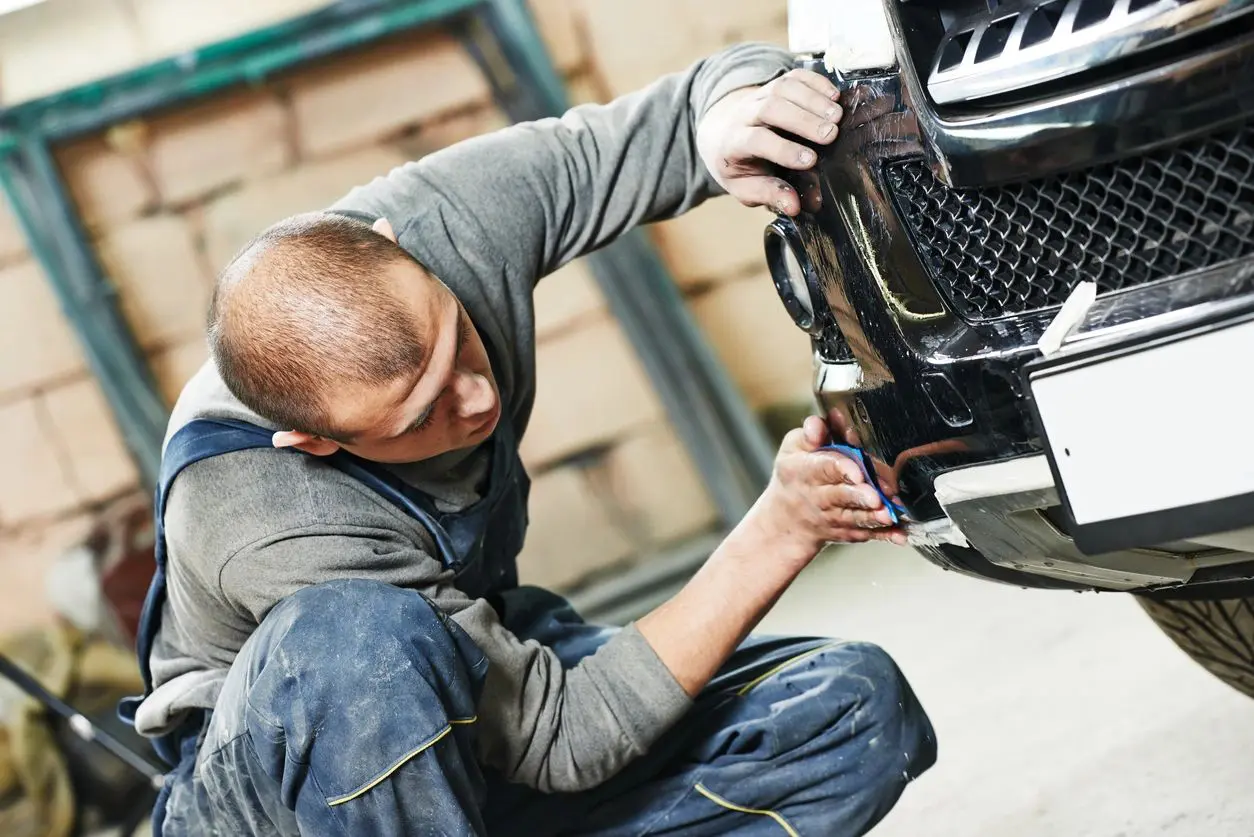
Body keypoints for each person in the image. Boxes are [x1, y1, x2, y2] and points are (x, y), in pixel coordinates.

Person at [121, 41, 936, 836]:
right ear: (315, 442)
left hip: (470, 682)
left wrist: (735, 117)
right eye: (420, 413)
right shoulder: (261, 516)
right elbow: (565, 737)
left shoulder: (442, 222)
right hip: (295, 791)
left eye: (457, 342)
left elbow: (689, 109)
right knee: (361, 643)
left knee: (851, 710)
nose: (477, 399)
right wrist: (782, 527)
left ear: (403, 250)